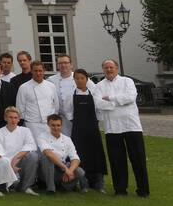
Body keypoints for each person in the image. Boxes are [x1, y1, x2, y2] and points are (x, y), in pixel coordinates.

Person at [94, 59, 150, 198]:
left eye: (111, 67)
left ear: (117, 69)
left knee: (138, 159)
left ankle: (143, 190)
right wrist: (116, 103)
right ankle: (120, 189)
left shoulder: (127, 82)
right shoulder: (99, 86)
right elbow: (98, 103)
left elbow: (130, 97)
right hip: (112, 128)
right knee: (116, 160)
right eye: (106, 68)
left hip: (131, 125)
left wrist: (110, 98)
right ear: (103, 70)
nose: (109, 70)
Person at [66, 69, 108, 191]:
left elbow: (99, 111)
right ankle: (84, 184)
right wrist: (74, 121)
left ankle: (100, 184)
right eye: (77, 78)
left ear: (87, 79)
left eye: (82, 78)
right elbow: (68, 112)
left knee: (96, 155)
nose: (79, 81)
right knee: (80, 155)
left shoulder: (94, 94)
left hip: (93, 130)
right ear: (74, 80)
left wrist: (96, 121)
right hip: (78, 131)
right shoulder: (71, 96)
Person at [0, 106, 40, 195]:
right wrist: (10, 165)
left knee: (33, 156)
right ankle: (5, 186)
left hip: (20, 162)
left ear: (19, 119)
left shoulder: (25, 131)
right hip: (5, 163)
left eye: (15, 118)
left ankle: (25, 187)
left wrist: (16, 158)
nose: (13, 120)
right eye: (10, 117)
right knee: (0, 160)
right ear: (5, 118)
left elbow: (31, 145)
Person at [15, 61, 59, 148]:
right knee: (34, 148)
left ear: (44, 71)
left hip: (48, 124)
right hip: (32, 124)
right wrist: (29, 120)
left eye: (40, 70)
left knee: (50, 148)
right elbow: (20, 108)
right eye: (35, 71)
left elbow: (55, 105)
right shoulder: (24, 87)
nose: (38, 73)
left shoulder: (51, 86)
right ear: (31, 71)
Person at [40, 114, 87, 193]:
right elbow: (49, 154)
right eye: (53, 125)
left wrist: (70, 170)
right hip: (46, 170)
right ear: (48, 125)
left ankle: (63, 187)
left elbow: (75, 158)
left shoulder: (67, 139)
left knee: (80, 172)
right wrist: (65, 168)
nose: (56, 128)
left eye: (58, 125)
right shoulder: (42, 136)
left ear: (61, 125)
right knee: (46, 158)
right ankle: (51, 189)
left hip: (62, 169)